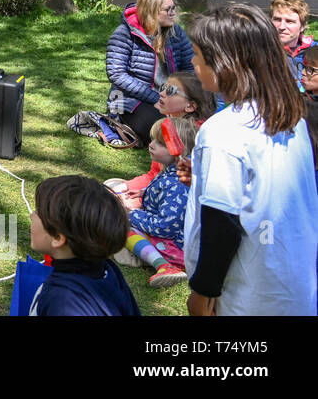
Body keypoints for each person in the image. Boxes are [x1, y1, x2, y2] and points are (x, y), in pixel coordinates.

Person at [178, 3, 318, 315]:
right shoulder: (290, 115)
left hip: (247, 294)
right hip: (293, 285)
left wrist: (202, 292)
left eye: (198, 55)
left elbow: (222, 224)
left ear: (224, 64)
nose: (192, 61)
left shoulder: (223, 131)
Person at [28, 175, 140, 316]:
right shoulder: (107, 270)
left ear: (58, 237)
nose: (32, 215)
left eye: (39, 212)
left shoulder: (61, 302)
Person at [105, 0, 193, 147]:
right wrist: (155, 98)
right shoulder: (124, 34)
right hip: (131, 101)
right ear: (151, 12)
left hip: (169, 96)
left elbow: (189, 68)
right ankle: (121, 125)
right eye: (168, 10)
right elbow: (116, 74)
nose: (173, 13)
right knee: (167, 131)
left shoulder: (176, 32)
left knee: (198, 122)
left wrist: (186, 95)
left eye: (174, 8)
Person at [114, 117, 196, 287]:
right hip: (172, 236)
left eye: (161, 143)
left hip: (177, 246)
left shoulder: (178, 185)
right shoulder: (172, 172)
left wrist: (132, 214)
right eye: (153, 139)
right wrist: (143, 193)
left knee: (124, 228)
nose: (151, 145)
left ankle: (163, 265)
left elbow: (165, 227)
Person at [105, 70, 214, 196]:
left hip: (175, 201)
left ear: (190, 106)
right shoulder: (169, 126)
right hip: (158, 189)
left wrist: (140, 196)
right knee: (111, 186)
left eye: (171, 91)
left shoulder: (192, 136)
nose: (161, 93)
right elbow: (154, 174)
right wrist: (126, 187)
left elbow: (177, 189)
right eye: (163, 87)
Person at [270, 0, 313, 87]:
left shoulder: (314, 51)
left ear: (303, 26)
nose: (281, 27)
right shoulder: (259, 51)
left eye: (290, 21)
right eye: (277, 19)